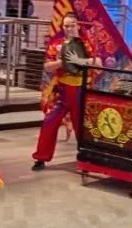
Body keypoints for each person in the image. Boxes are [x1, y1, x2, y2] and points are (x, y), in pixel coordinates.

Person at [32, 12, 92, 170]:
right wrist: (62, 61)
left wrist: (79, 61)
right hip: (62, 90)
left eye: (72, 25)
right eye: (66, 25)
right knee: (49, 122)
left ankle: (86, 156)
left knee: (82, 126)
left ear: (77, 26)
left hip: (80, 90)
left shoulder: (85, 43)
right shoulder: (56, 44)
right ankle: (41, 158)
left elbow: (97, 61)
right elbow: (47, 66)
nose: (69, 28)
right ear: (62, 27)